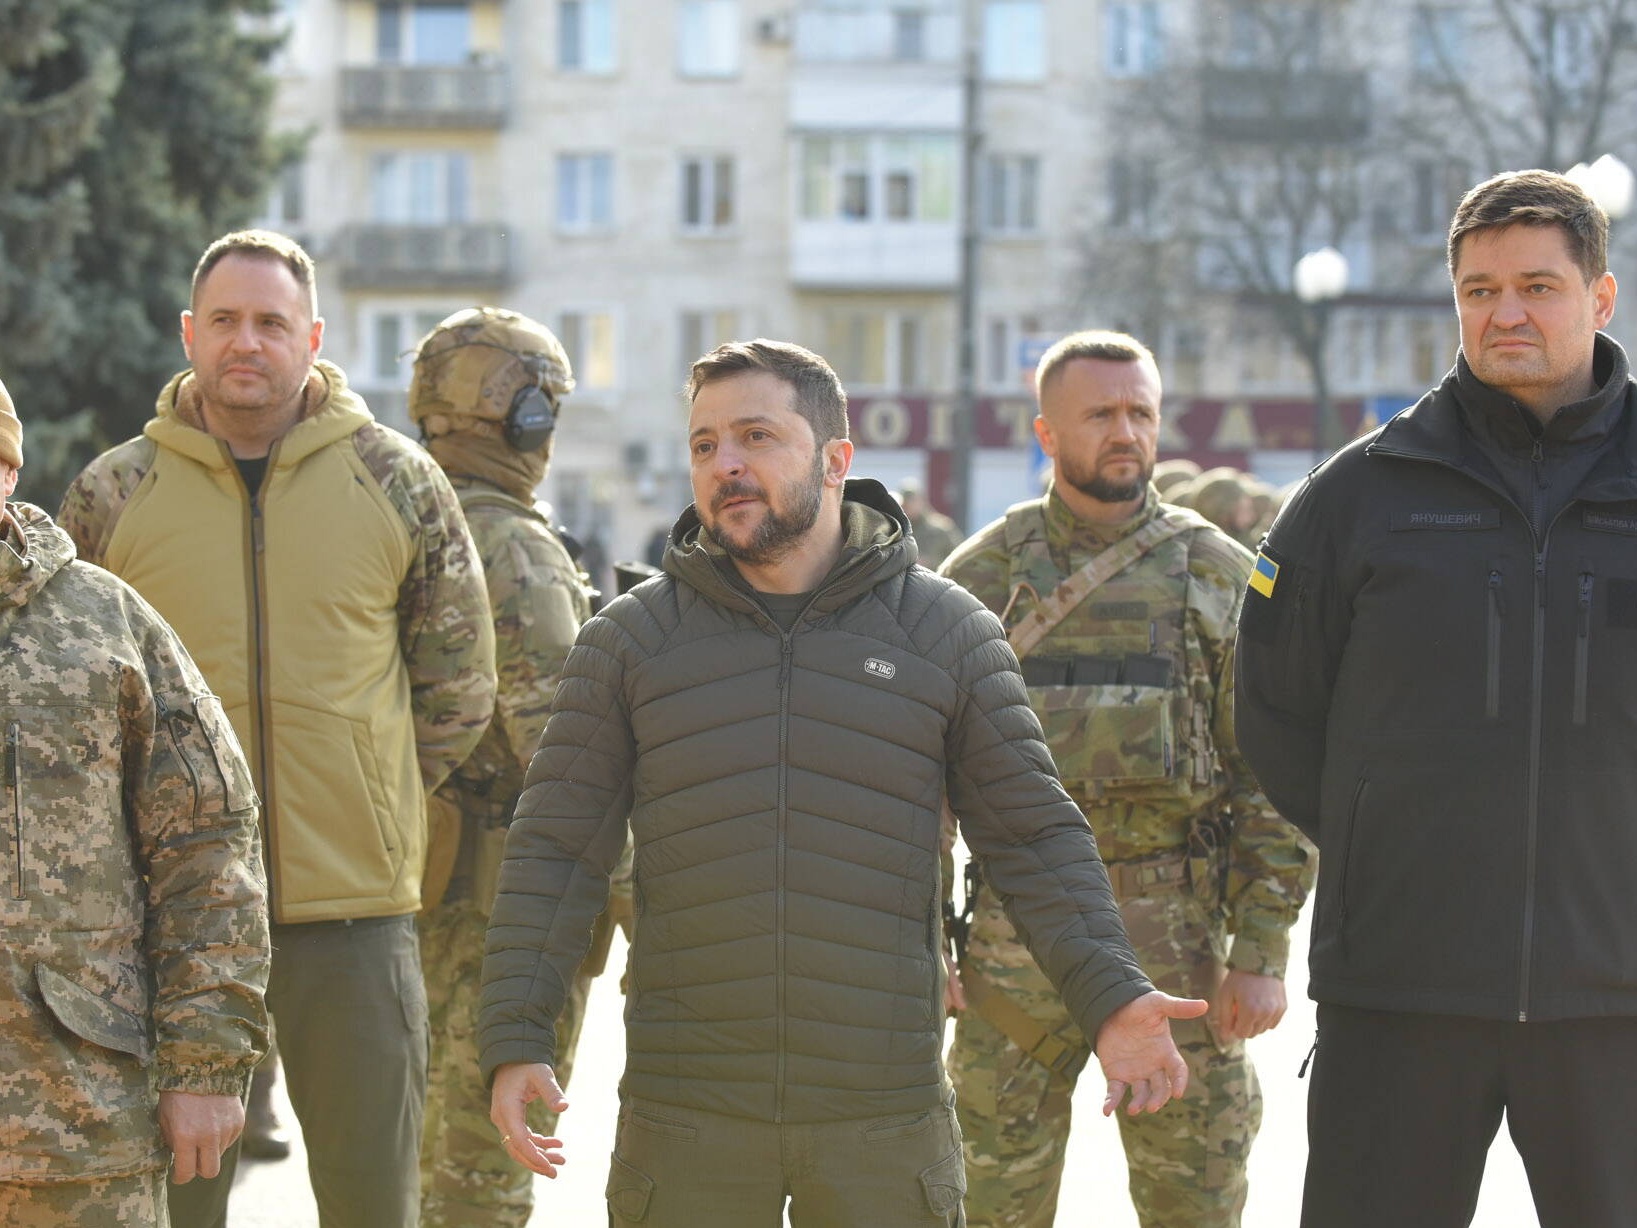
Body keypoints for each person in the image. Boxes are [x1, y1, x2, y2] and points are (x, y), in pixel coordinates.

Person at [478, 338, 1209, 1228]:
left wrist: (1114, 997)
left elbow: (1032, 837)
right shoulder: (629, 644)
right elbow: (555, 851)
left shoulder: (945, 634)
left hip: (882, 1122)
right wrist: (515, 1038)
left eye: (756, 436)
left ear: (835, 462)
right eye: (705, 445)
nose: (726, 464)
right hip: (687, 1121)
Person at [58, 228, 496, 1228]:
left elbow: (459, 686)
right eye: (223, 321)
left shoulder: (395, 481)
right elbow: (76, 707)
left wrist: (366, 792)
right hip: (165, 930)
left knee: (372, 1205)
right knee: (171, 1206)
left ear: (312, 335)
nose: (244, 342)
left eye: (268, 322)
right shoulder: (115, 493)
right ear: (189, 332)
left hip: (356, 924)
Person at [1235, 168, 1637, 1227]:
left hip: (1620, 1001)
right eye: (1476, 288)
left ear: (1599, 297)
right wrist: (1381, 836)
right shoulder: (1357, 493)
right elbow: (1275, 706)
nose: (1504, 311)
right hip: (1399, 991)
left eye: (1537, 286)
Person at [940, 331, 1314, 1228]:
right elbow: (917, 783)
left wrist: (1259, 951)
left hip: (1178, 948)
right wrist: (923, 939)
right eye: (1099, 414)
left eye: (1139, 413)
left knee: (1194, 1202)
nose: (1124, 431)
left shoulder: (1216, 572)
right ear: (1046, 432)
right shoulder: (977, 581)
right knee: (986, 1203)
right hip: (1009, 944)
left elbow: (1269, 773)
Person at [0, 375, 270, 1226]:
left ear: (5, 469)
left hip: (74, 1128)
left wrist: (204, 1066)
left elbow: (208, 842)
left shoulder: (102, 624)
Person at [406, 306, 601, 1228]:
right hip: (504, 913)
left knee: (416, 1157)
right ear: (526, 415)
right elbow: (567, 757)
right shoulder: (513, 546)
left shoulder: (402, 515)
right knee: (481, 1170)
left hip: (411, 889)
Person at [898, 476, 964, 568]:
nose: (907, 507)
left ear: (921, 501)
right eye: (904, 504)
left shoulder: (941, 528)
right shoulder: (899, 530)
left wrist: (931, 563)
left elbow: (960, 557)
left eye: (911, 502)